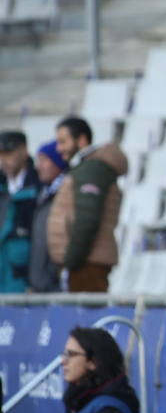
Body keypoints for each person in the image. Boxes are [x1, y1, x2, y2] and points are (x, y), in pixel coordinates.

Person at [50, 117, 127, 293]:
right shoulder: (87, 168)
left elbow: (87, 218)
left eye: (63, 142)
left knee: (87, 319)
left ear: (82, 140)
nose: (58, 148)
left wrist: (71, 261)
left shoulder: (92, 169)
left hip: (87, 264)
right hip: (84, 262)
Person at [59, 326, 138, 413]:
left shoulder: (109, 412)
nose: (63, 361)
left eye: (71, 354)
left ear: (93, 361)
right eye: (64, 354)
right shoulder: (78, 401)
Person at [1, 131, 38, 294]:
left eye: (8, 153)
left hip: (22, 279)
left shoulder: (38, 187)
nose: (3, 160)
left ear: (24, 151)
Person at [27, 140, 67, 293]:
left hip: (55, 282)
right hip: (40, 281)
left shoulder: (64, 194)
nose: (39, 166)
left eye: (44, 160)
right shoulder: (42, 194)